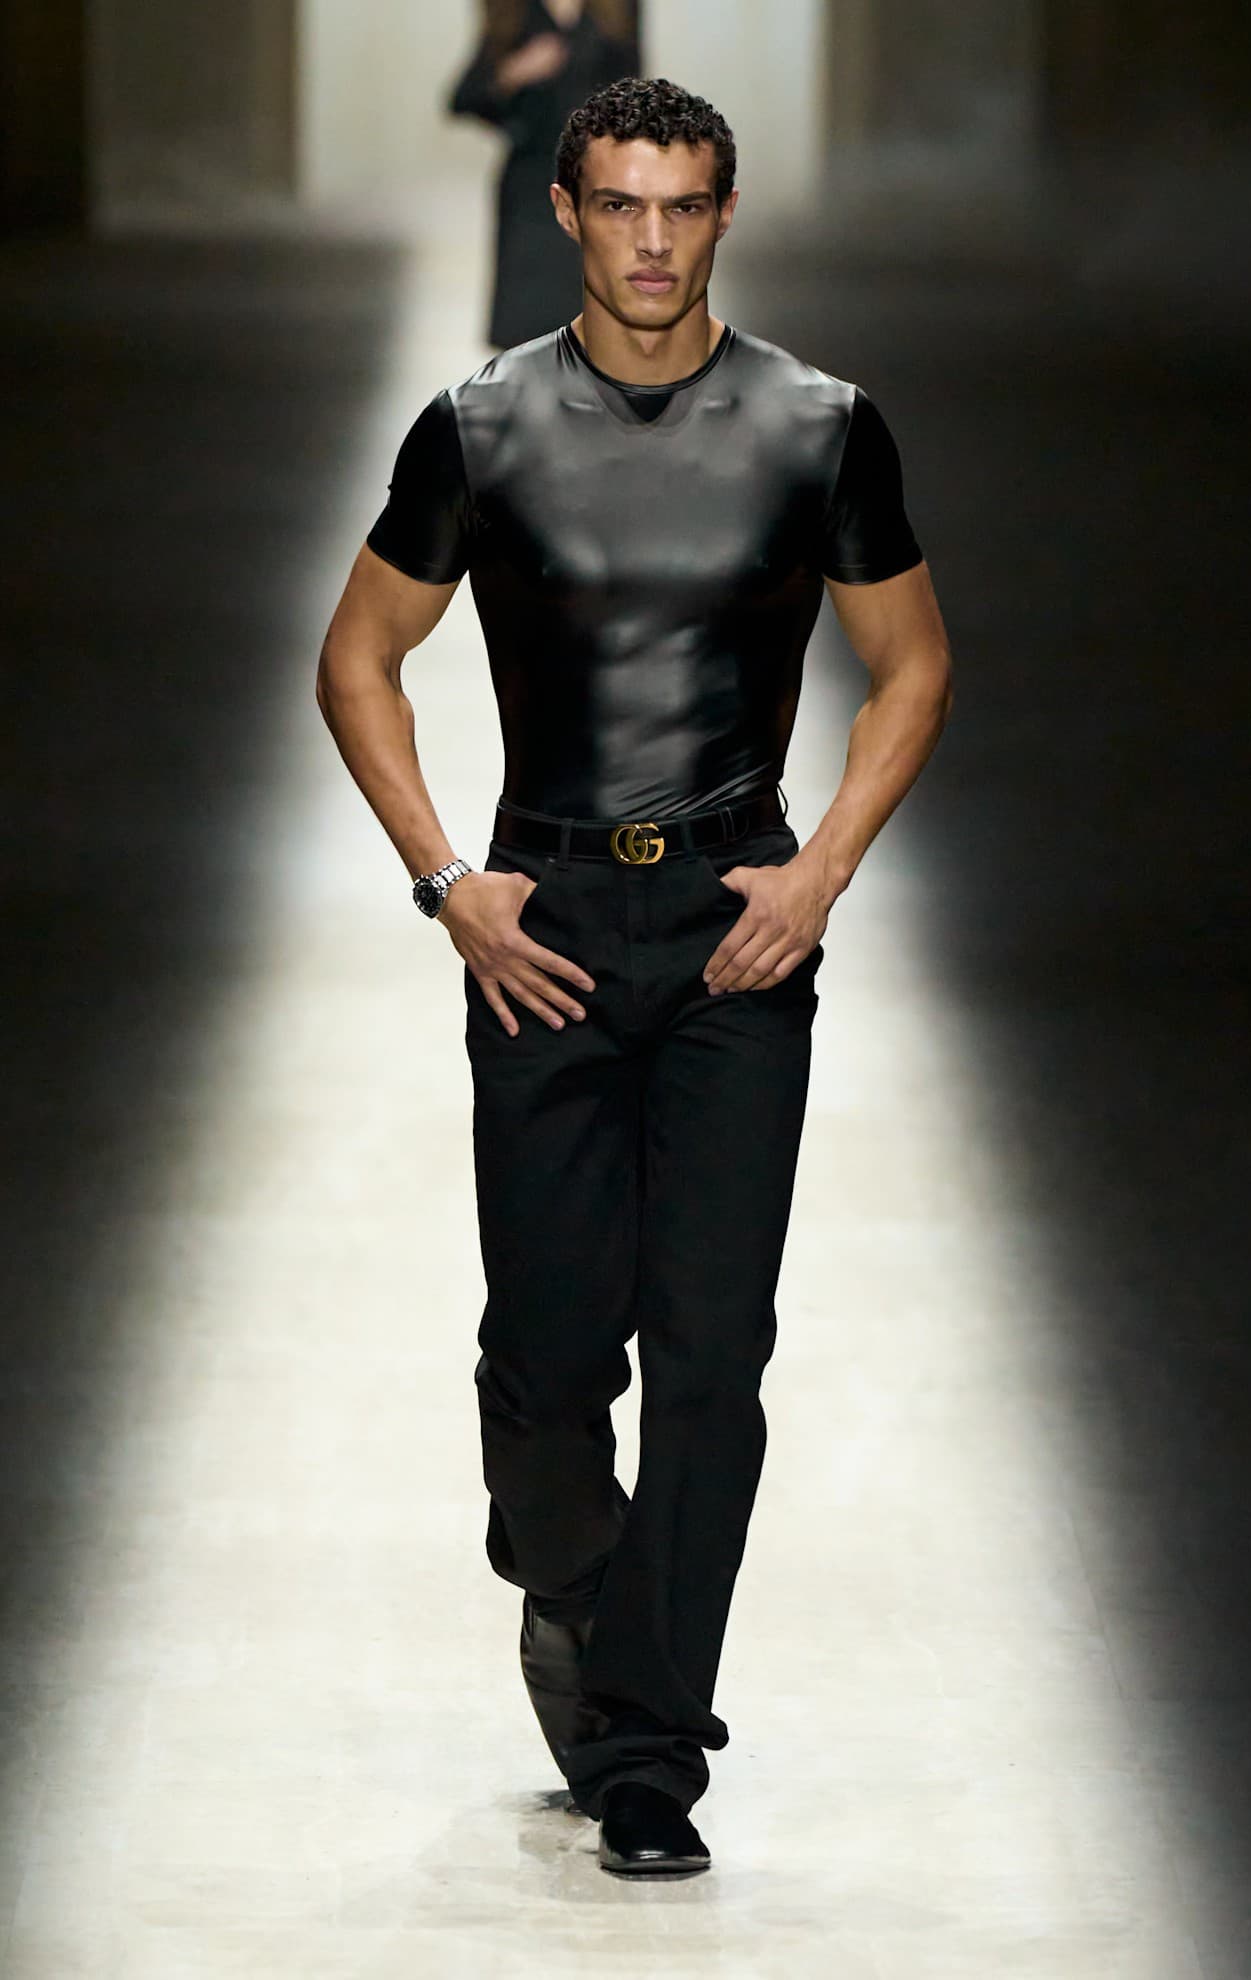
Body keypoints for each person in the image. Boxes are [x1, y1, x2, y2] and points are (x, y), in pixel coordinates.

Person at [317, 76, 952, 1877]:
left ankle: (649, 1750)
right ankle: (567, 1569)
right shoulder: (482, 426)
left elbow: (911, 664)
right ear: (569, 213)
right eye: (620, 205)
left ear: (725, 213)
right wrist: (449, 884)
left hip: (741, 926)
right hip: (547, 934)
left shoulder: (822, 426)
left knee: (713, 1353)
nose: (653, 242)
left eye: (683, 207)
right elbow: (358, 656)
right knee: (544, 1362)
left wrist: (820, 874)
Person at [448, 0, 640, 348]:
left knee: (597, 322)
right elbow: (464, 98)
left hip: (597, 185)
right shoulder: (510, 10)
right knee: (529, 326)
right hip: (530, 185)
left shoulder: (617, 8)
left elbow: (635, 92)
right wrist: (514, 73)